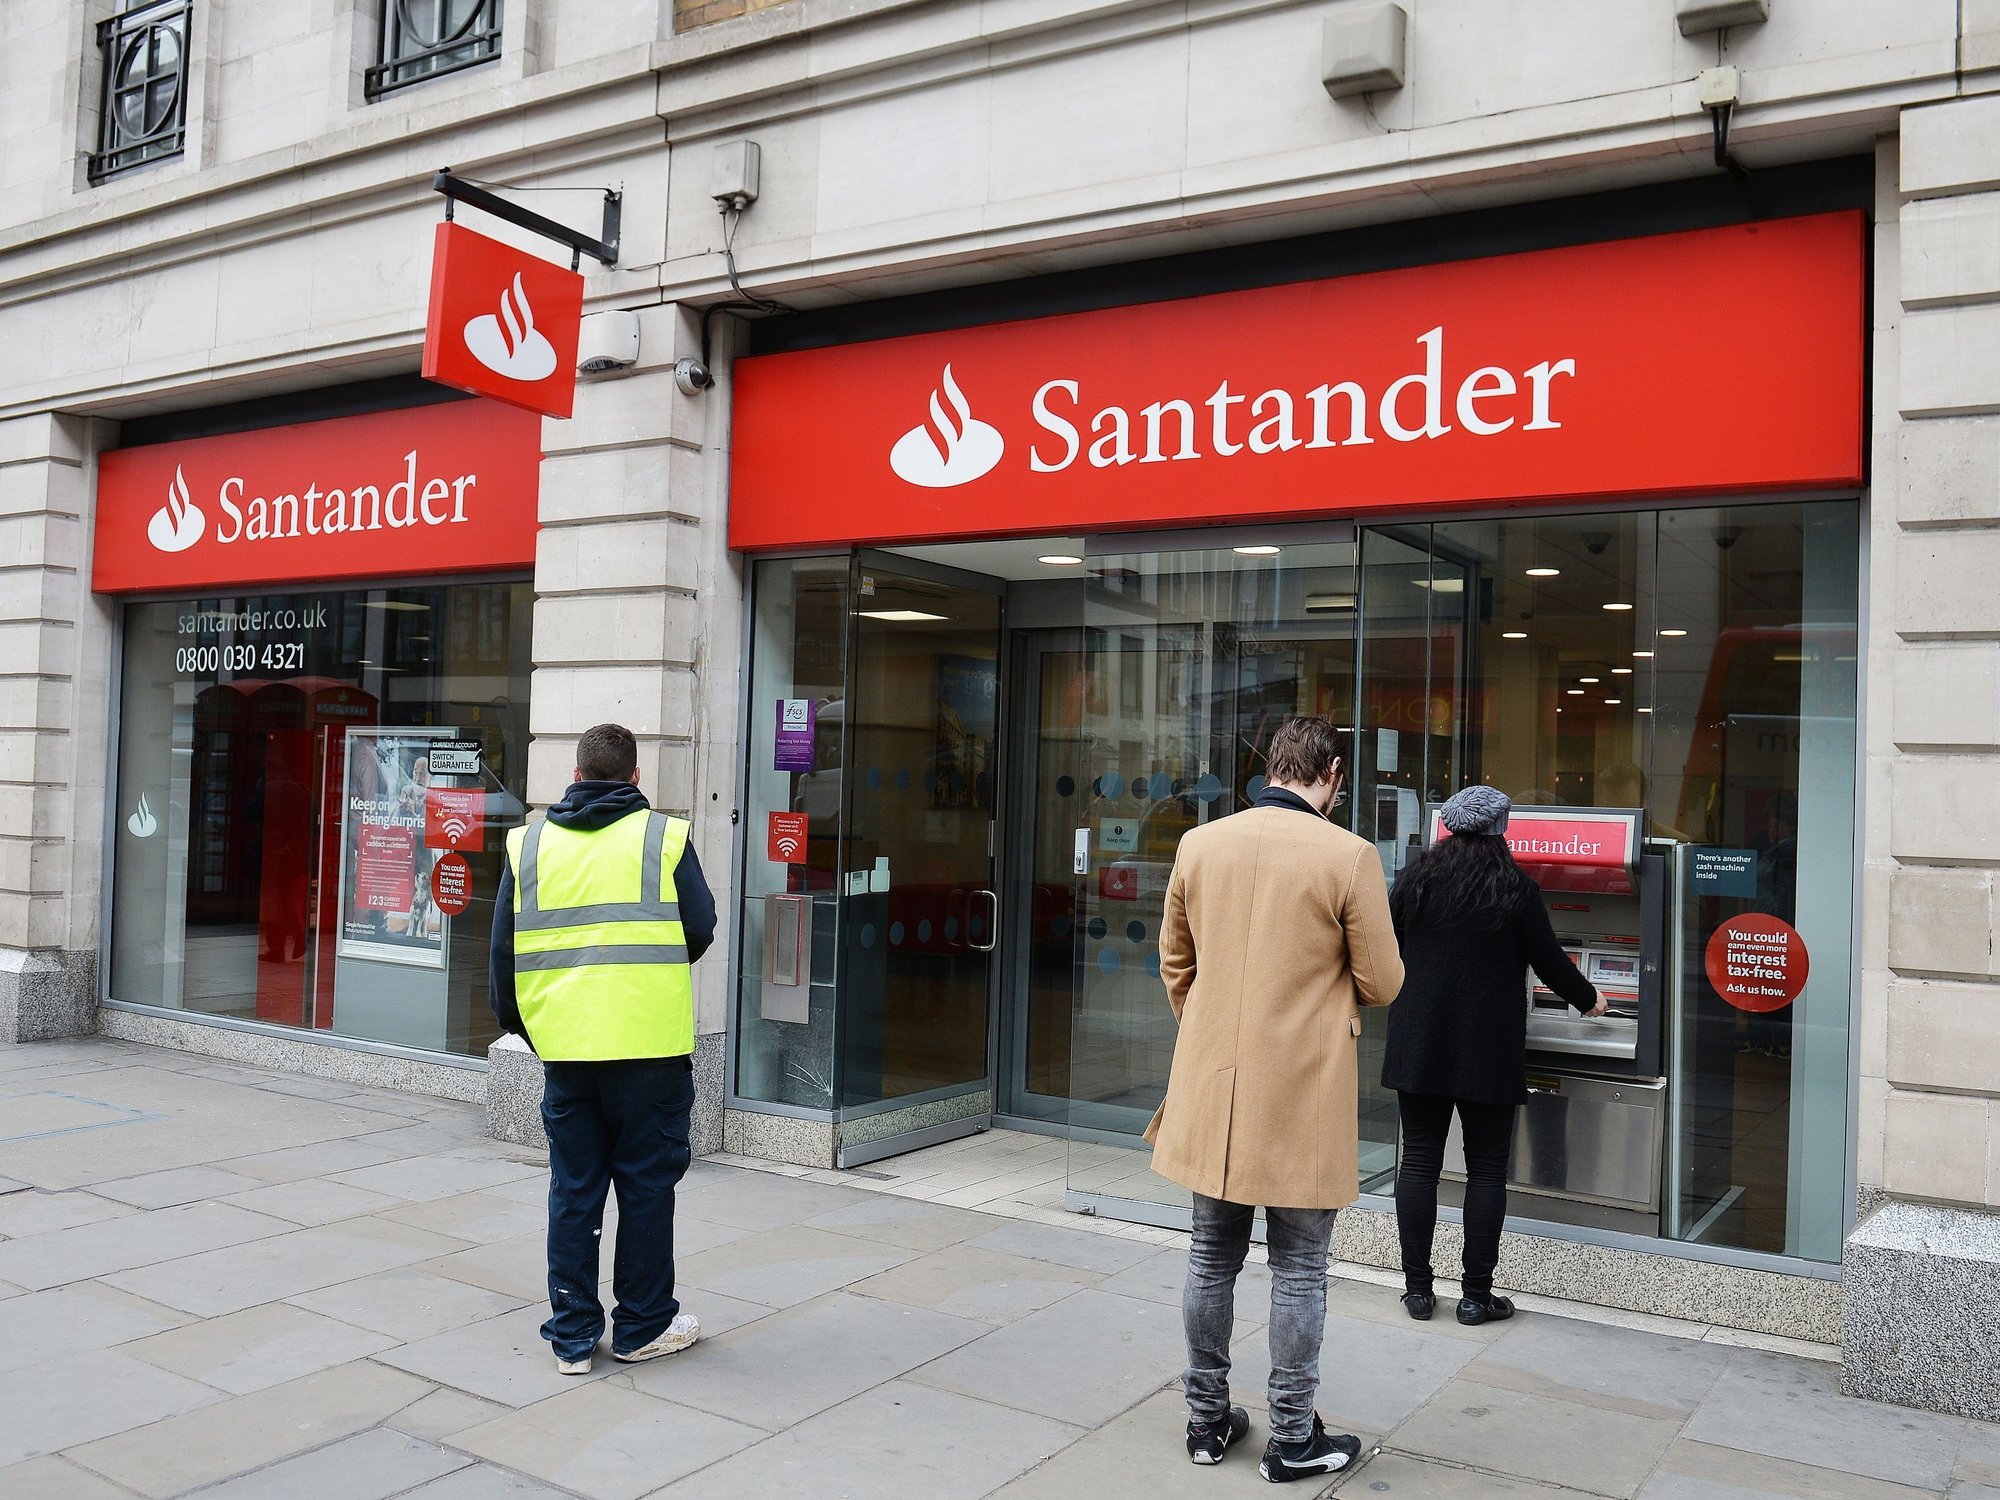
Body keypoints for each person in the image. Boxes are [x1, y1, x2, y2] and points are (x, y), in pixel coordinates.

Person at [1146, 716, 1404, 1483]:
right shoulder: (1348, 855)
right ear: (1329, 775)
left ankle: (1205, 1421)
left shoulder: (1201, 843)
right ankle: (1293, 1437)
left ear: (1273, 768)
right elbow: (1384, 981)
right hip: (1301, 1088)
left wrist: (1209, 1029)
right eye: (1341, 782)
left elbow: (1174, 960)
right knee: (1299, 1266)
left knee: (1209, 1253)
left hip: (1214, 1088)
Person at [490, 722, 718, 1375]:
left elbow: (503, 958)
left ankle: (571, 1335)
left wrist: (532, 1029)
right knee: (646, 1186)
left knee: (575, 1186)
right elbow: (699, 926)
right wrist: (646, 978)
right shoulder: (663, 838)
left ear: (576, 772)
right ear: (636, 777)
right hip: (649, 1048)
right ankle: (643, 1326)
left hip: (567, 1051)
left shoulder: (529, 845)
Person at [1380, 784, 1602, 1327]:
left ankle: (1416, 1291)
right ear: (1502, 829)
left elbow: (1385, 944)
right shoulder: (1513, 889)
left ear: (1451, 828)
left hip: (1420, 1042)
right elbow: (1550, 962)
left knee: (1419, 1164)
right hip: (1486, 1048)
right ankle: (1477, 1297)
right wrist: (1590, 999)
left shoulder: (1415, 881)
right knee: (1485, 1171)